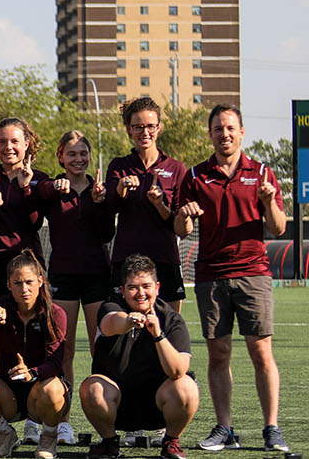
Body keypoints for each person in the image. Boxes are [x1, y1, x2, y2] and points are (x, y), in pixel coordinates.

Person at [175, 104, 291, 453]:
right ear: (209, 134)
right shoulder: (196, 175)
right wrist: (185, 213)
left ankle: (271, 428)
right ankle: (225, 429)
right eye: (217, 129)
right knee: (218, 354)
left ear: (242, 132)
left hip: (253, 273)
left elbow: (279, 226)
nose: (224, 134)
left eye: (230, 128)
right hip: (211, 276)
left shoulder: (262, 173)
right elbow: (182, 230)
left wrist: (268, 202)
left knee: (261, 352)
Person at [32, 129, 109, 445]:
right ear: (60, 157)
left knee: (100, 351)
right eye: (71, 153)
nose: (78, 159)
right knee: (62, 350)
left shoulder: (98, 189)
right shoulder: (53, 188)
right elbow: (34, 210)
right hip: (62, 275)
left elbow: (106, 233)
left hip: (97, 276)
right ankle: (63, 422)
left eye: (83, 153)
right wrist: (51, 188)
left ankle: (106, 419)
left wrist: (101, 203)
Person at [80, 255, 199, 459]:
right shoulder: (111, 307)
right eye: (133, 287)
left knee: (186, 386)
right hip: (116, 405)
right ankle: (109, 443)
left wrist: (158, 335)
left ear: (157, 287)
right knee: (92, 387)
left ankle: (171, 441)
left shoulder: (172, 319)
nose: (140, 293)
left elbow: (177, 370)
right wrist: (128, 322)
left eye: (146, 286)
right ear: (123, 289)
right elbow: (110, 324)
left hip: (157, 405)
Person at [0, 250, 71, 458]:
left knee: (55, 388)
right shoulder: (1, 306)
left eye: (29, 282)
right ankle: (4, 434)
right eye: (18, 283)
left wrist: (32, 373)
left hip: (40, 392)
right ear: (9, 285)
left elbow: (56, 363)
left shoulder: (55, 313)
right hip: (8, 392)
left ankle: (48, 439)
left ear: (40, 281)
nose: (24, 289)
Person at [106, 97, 188, 315]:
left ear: (159, 127)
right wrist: (121, 189)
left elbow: (178, 224)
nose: (145, 132)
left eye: (150, 126)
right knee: (125, 332)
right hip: (126, 260)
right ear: (128, 130)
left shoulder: (176, 169)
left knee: (168, 330)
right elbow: (108, 210)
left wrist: (159, 204)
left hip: (164, 259)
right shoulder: (119, 166)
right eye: (138, 127)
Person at [0, 118, 44, 303]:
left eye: (14, 141)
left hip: (28, 263)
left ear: (26, 144)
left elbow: (35, 223)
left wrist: (25, 188)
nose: (8, 147)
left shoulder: (40, 179)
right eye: (2, 142)